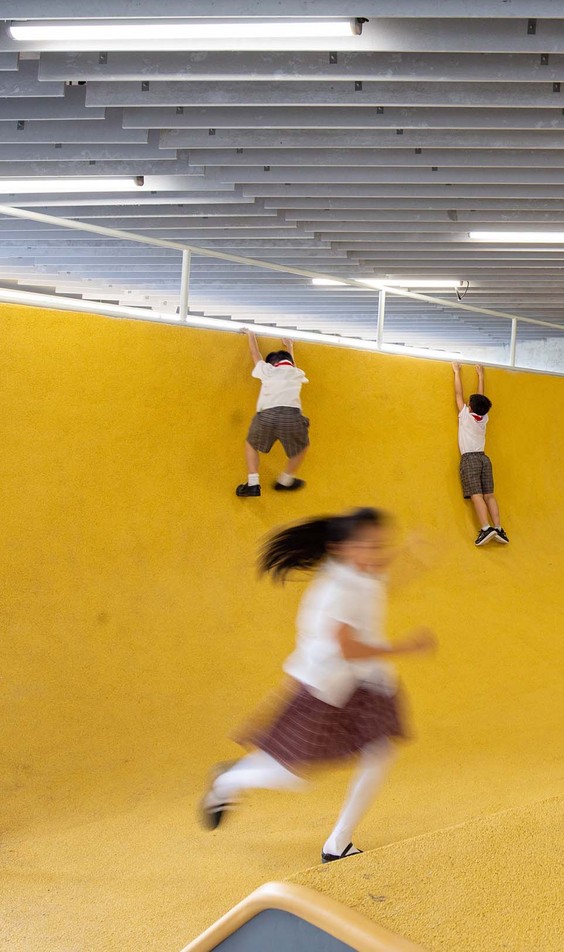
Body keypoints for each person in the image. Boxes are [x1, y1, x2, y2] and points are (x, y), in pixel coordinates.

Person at [200, 508, 435, 863]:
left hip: (364, 684)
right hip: (325, 687)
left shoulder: (360, 571)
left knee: (380, 753)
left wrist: (409, 553)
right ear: (341, 549)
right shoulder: (338, 590)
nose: (377, 554)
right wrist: (405, 647)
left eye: (379, 545)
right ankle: (229, 780)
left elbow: (383, 577)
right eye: (369, 547)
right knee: (296, 776)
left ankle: (337, 844)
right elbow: (347, 648)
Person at [237, 328, 310, 497]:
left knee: (251, 444)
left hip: (266, 415)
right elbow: (291, 365)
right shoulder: (297, 373)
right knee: (302, 447)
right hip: (291, 417)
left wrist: (251, 335)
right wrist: (289, 345)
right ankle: (285, 479)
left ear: (271, 364)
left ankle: (253, 483)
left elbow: (255, 355)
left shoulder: (268, 370)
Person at [453, 363, 508, 546]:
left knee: (476, 494)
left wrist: (456, 372)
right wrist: (481, 377)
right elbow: (481, 398)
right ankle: (499, 527)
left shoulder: (465, 416)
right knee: (489, 495)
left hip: (470, 459)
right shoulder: (484, 418)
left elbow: (458, 394)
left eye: (469, 403)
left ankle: (486, 529)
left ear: (469, 408)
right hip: (485, 459)